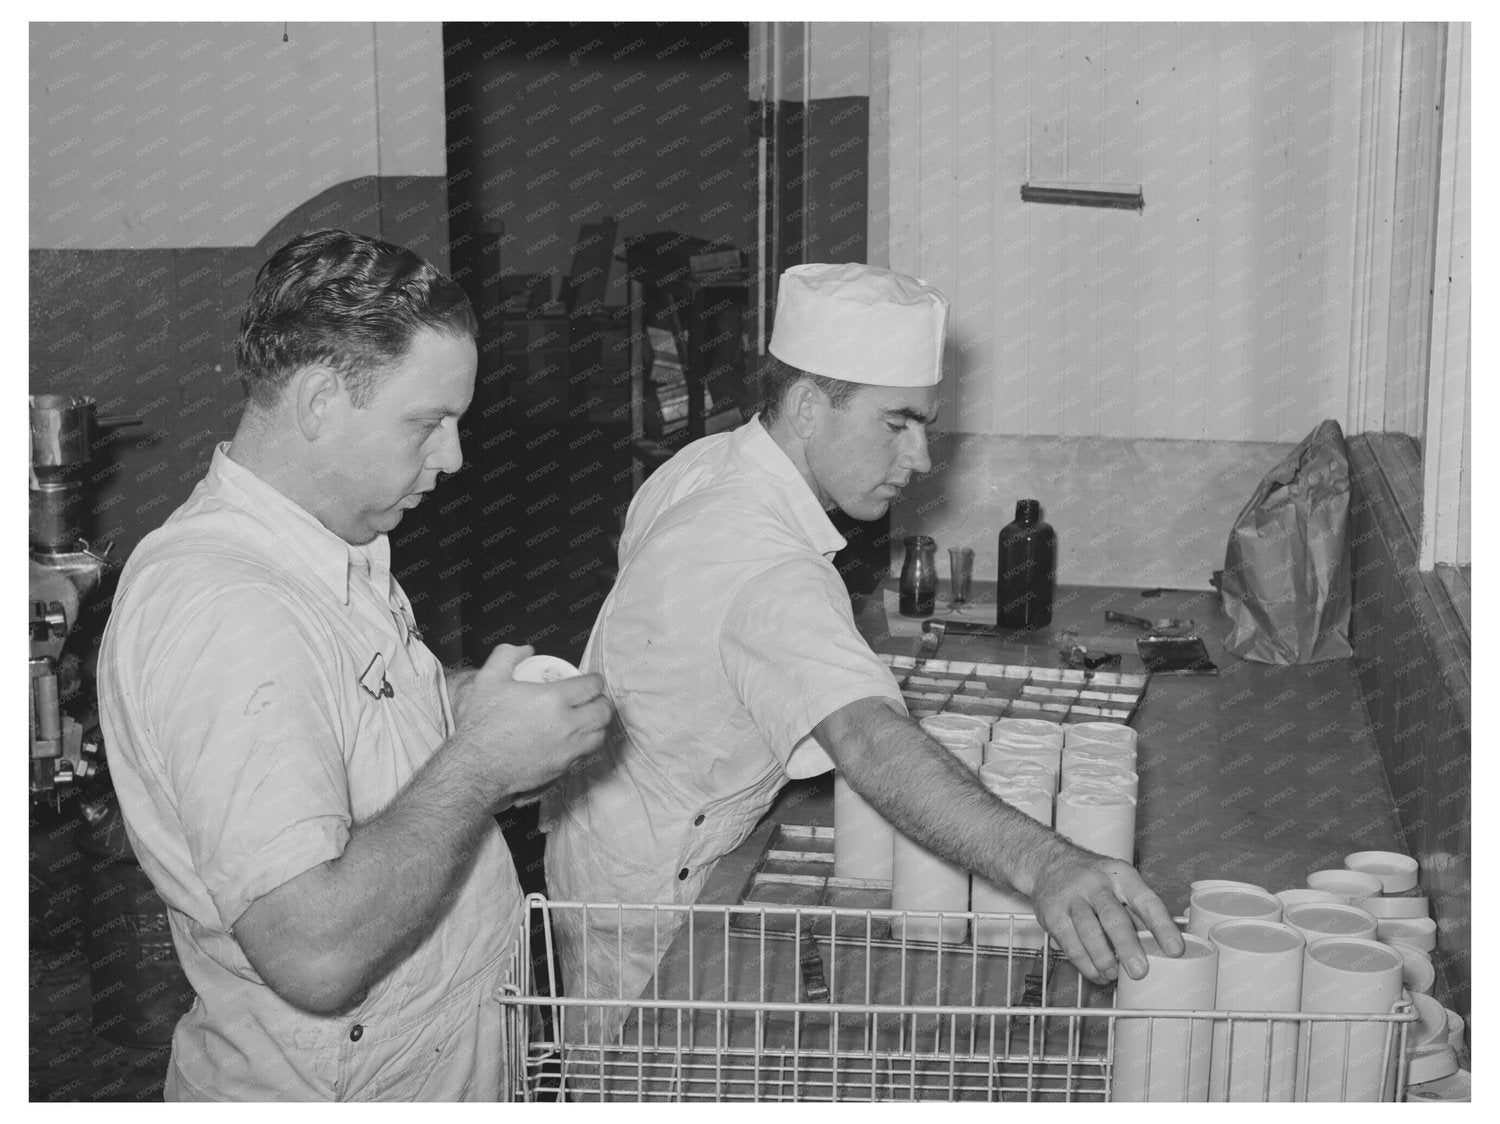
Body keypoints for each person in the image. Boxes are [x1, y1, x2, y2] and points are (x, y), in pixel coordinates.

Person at [541, 263, 1183, 1037]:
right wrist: (1047, 863)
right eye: (896, 423)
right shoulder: (765, 561)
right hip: (648, 886)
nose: (921, 458)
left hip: (602, 826)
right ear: (808, 407)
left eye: (926, 425)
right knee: (637, 1067)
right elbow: (868, 740)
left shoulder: (706, 463)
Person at [97, 229, 613, 1101]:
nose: (452, 456)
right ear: (319, 401)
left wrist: (460, 707)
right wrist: (481, 762)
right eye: (427, 422)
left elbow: (343, 721)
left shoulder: (326, 546)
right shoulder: (229, 608)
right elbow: (315, 953)